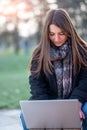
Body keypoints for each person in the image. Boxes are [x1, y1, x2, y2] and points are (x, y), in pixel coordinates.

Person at [20, 8, 87, 130]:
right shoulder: (39, 54)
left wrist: (76, 103)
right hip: (48, 101)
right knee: (24, 116)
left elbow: (85, 81)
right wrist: (46, 109)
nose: (56, 38)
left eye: (61, 33)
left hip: (78, 99)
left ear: (69, 31)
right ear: (47, 33)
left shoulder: (82, 51)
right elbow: (36, 84)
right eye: (52, 34)